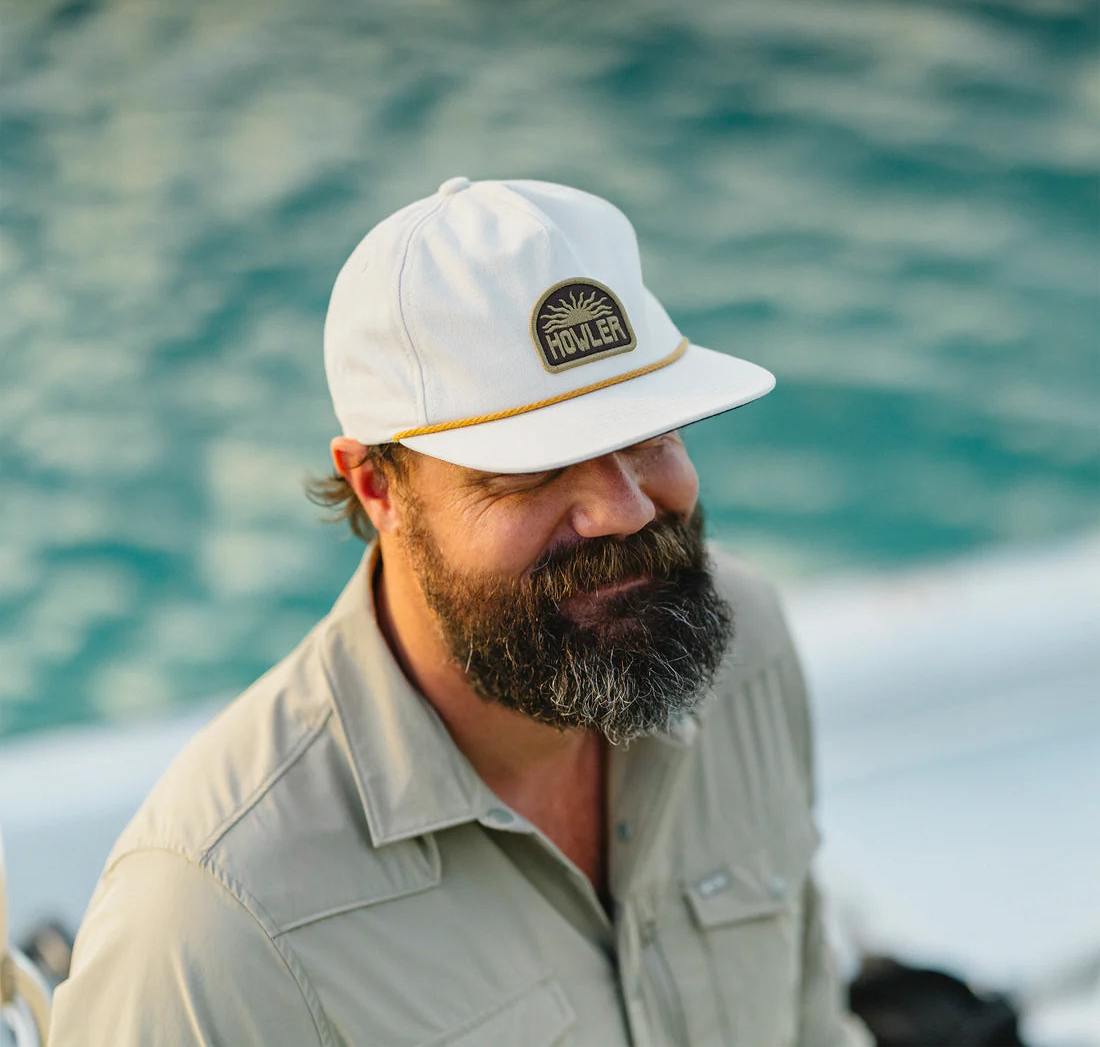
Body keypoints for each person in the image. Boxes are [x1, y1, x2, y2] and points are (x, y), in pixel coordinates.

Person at [49, 177, 869, 1046]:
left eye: (651, 433)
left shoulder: (747, 645)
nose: (625, 509)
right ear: (377, 487)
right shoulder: (214, 919)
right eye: (537, 467)